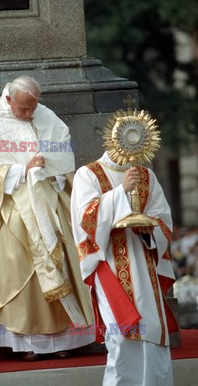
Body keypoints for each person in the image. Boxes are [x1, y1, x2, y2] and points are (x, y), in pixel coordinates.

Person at [0, 75, 94, 360]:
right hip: (12, 205)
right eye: (23, 108)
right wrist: (24, 170)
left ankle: (63, 342)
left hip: (47, 199)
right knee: (19, 269)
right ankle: (26, 344)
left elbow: (63, 151)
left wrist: (47, 166)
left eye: (32, 108)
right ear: (9, 99)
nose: (28, 114)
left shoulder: (48, 117)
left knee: (62, 264)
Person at [71, 148, 179, 385]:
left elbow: (163, 219)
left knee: (151, 331)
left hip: (143, 264)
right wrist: (122, 192)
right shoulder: (88, 174)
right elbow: (85, 219)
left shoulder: (147, 176)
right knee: (122, 336)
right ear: (113, 140)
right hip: (108, 263)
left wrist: (149, 228)